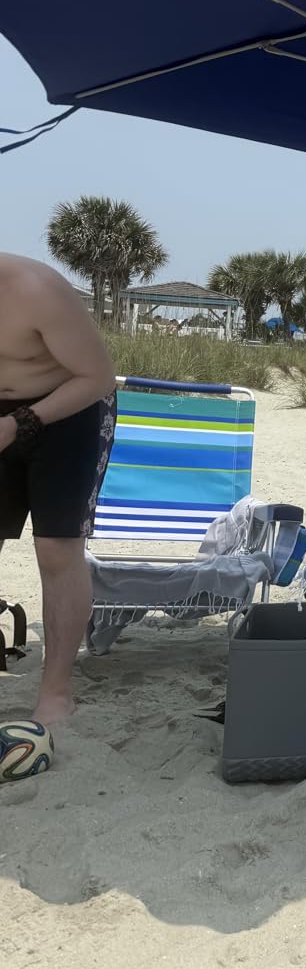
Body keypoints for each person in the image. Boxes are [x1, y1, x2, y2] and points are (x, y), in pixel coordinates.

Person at [0, 253, 118, 728]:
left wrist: (18, 424)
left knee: (56, 550)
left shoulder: (35, 289)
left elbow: (99, 377)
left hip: (68, 408)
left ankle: (55, 692)